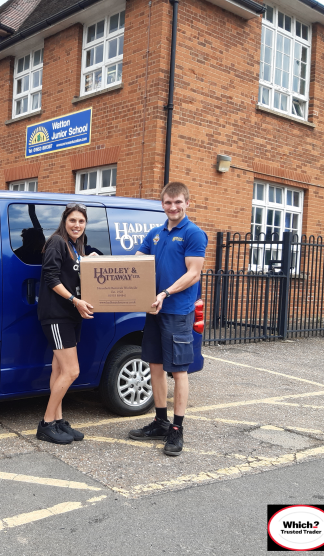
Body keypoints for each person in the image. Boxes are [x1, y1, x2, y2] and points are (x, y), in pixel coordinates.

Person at [129, 182, 207, 456]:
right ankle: (160, 421)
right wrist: (98, 262)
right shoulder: (155, 234)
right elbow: (136, 262)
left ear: (187, 202)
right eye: (168, 202)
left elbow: (193, 274)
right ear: (162, 204)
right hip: (154, 310)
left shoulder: (194, 234)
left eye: (178, 202)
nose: (173, 207)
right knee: (155, 365)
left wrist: (165, 292)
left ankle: (177, 429)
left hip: (176, 311)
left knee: (179, 370)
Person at [36, 203, 94, 444]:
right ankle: (47, 423)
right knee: (72, 371)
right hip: (57, 315)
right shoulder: (57, 242)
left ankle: (59, 421)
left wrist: (87, 262)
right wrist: (75, 300)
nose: (77, 225)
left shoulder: (74, 246)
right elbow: (50, 276)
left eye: (81, 221)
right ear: (65, 221)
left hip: (70, 315)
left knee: (59, 369)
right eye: (73, 220)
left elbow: (72, 272)